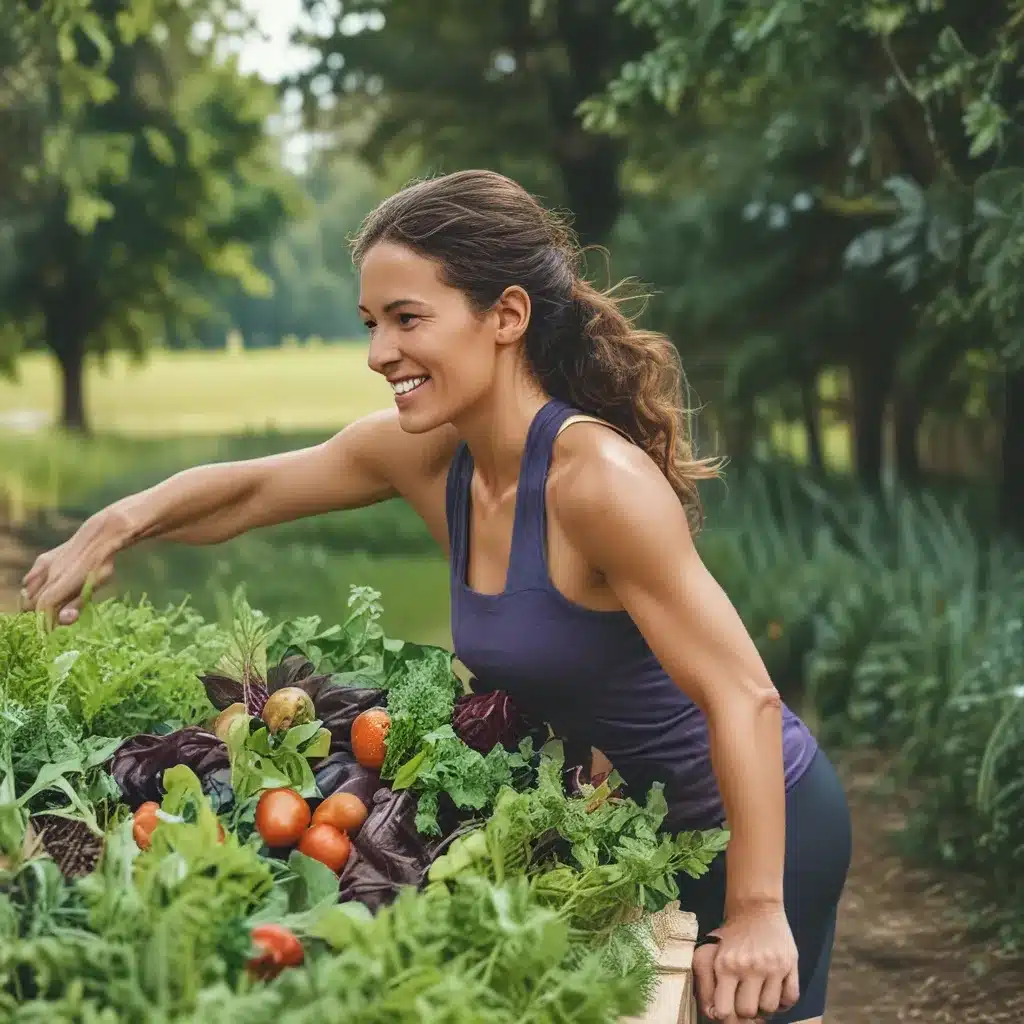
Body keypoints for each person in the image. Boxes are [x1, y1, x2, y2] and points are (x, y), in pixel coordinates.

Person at [21, 169, 851, 1023]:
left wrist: (758, 908)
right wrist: (114, 524)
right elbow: (251, 492)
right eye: (372, 323)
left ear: (507, 316)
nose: (380, 352)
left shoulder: (595, 483)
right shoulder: (431, 455)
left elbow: (743, 696)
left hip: (759, 830)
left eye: (408, 318)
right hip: (631, 836)